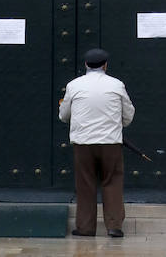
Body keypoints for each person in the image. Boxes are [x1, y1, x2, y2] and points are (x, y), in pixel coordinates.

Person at [59, 46, 135, 239]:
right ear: (105, 65)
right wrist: (118, 124)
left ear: (86, 64)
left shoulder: (73, 85)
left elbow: (64, 115)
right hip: (110, 142)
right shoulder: (116, 85)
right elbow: (128, 114)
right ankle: (114, 226)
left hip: (83, 142)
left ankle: (85, 227)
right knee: (112, 181)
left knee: (85, 184)